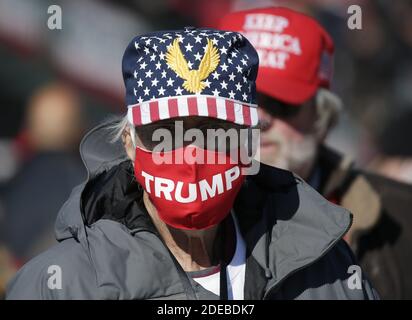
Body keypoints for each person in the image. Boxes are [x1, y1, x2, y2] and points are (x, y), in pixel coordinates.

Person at [6, 28, 377, 300]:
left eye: (213, 130)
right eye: (166, 131)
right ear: (129, 144)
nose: (191, 152)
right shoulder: (63, 286)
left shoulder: (326, 273)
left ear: (248, 142)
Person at [219, 7, 412, 299]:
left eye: (280, 103)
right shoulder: (157, 213)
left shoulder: (399, 215)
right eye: (243, 100)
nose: (259, 118)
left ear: (323, 117)